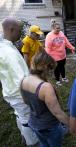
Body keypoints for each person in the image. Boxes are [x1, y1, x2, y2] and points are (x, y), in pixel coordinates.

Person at [0, 18, 39, 146]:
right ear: (11, 30)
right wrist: (30, 96)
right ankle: (32, 142)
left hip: (10, 90)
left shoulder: (4, 47)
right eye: (18, 30)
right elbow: (21, 79)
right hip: (19, 94)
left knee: (20, 114)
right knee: (27, 117)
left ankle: (24, 135)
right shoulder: (9, 53)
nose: (21, 33)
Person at [20, 50, 69, 147]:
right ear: (45, 67)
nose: (51, 72)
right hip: (49, 126)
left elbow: (25, 101)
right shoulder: (45, 87)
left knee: (44, 144)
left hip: (34, 123)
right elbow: (57, 113)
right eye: (51, 68)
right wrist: (71, 124)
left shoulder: (24, 80)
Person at [45, 20, 75, 86]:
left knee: (62, 67)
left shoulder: (61, 33)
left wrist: (72, 47)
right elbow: (48, 48)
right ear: (53, 28)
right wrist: (47, 57)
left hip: (62, 55)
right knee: (57, 68)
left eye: (59, 28)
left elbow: (66, 42)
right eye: (57, 28)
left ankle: (64, 77)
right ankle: (58, 80)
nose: (59, 29)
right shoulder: (49, 36)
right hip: (55, 56)